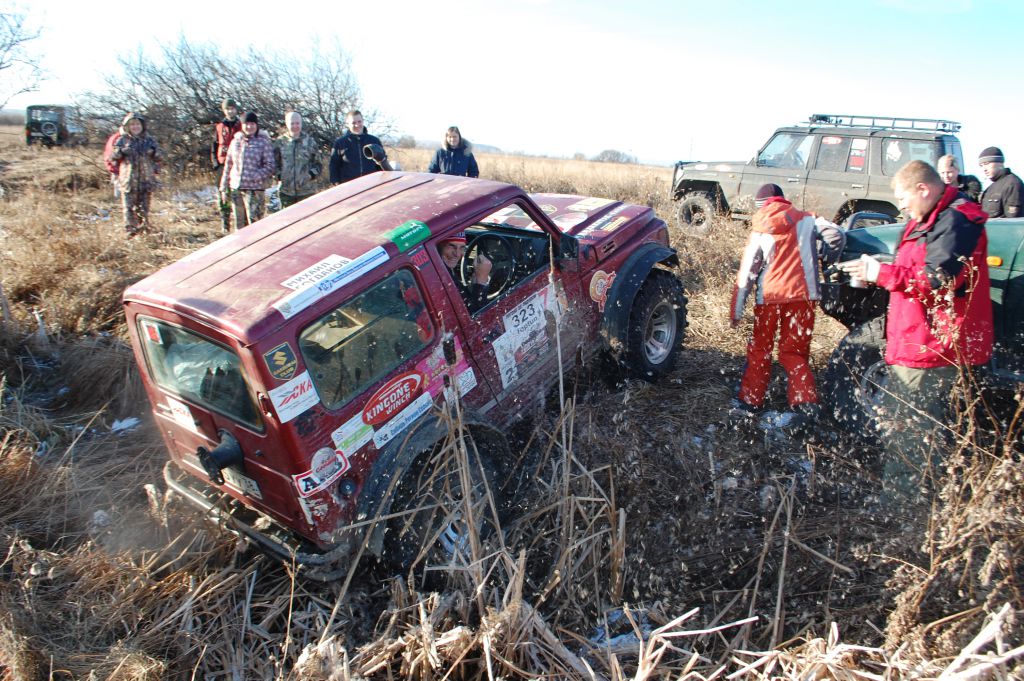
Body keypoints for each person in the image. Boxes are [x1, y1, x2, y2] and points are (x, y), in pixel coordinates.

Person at [839, 160, 992, 504]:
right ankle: (921, 496)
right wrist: (879, 271)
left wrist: (882, 274)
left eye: (903, 199)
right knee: (913, 425)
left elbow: (938, 280)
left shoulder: (956, 220)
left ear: (923, 189)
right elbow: (914, 268)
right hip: (914, 336)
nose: (901, 207)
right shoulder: (927, 218)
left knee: (909, 429)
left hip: (931, 344)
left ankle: (902, 507)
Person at [730, 183, 844, 423]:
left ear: (762, 206)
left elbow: (747, 272)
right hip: (803, 297)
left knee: (760, 350)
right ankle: (804, 405)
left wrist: (736, 310)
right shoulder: (808, 219)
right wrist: (825, 260)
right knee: (794, 352)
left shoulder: (760, 228)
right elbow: (837, 235)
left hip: (769, 298)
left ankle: (751, 402)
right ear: (783, 200)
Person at [220, 112, 276, 231]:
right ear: (242, 125)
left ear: (256, 125)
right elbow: (228, 164)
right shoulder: (236, 141)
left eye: (252, 124)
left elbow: (270, 165)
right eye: (246, 124)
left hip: (255, 189)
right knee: (239, 225)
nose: (249, 127)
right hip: (236, 187)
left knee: (255, 224)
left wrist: (257, 175)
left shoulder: (263, 142)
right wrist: (224, 186)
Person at [109, 112, 162, 237]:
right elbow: (113, 158)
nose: (135, 127)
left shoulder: (149, 140)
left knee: (144, 207)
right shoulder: (122, 140)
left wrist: (153, 152)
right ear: (127, 126)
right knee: (128, 208)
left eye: (138, 124)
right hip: (128, 180)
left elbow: (160, 157)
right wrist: (121, 151)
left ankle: (144, 229)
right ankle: (130, 231)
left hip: (146, 180)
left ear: (142, 126)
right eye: (132, 124)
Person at [274, 111, 322, 208]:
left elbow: (318, 164)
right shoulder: (280, 142)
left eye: (297, 123)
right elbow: (274, 163)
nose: (295, 126)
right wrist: (279, 175)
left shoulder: (310, 142)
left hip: (307, 192)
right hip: (286, 192)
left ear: (301, 123)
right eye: (292, 123)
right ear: (287, 124)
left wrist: (310, 175)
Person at [329, 110, 388, 185]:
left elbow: (382, 163)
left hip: (372, 185)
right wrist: (337, 184)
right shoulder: (340, 143)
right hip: (349, 186)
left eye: (359, 122)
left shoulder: (374, 141)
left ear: (363, 121)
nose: (357, 125)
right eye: (353, 123)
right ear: (347, 124)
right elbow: (333, 165)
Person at [439, 233, 491, 312]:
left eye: (462, 247)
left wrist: (475, 285)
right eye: (451, 246)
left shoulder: (444, 272)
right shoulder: (439, 278)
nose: (457, 254)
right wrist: (481, 280)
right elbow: (476, 314)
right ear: (439, 246)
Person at [212, 98, 243, 233]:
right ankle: (225, 223)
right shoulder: (219, 127)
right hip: (222, 164)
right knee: (223, 194)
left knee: (236, 194)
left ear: (236, 110)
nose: (230, 111)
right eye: (227, 109)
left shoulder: (241, 125)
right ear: (224, 111)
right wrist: (215, 164)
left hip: (237, 165)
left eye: (232, 109)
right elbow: (214, 146)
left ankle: (240, 224)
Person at [978, 146, 1024, 218]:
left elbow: (1013, 219)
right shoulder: (990, 188)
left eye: (987, 163)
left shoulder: (1012, 184)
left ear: (1000, 162)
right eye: (981, 166)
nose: (984, 169)